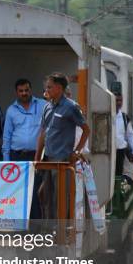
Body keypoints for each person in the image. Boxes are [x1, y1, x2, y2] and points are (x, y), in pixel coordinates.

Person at [35, 73, 90, 219]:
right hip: (48, 160)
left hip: (62, 160)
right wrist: (37, 158)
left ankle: (61, 232)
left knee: (60, 198)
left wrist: (77, 151)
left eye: (49, 87)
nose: (46, 90)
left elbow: (86, 130)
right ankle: (48, 229)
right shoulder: (47, 107)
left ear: (59, 88)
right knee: (44, 195)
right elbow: (42, 133)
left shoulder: (71, 107)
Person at [3, 79, 47, 219]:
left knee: (37, 192)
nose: (24, 93)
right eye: (21, 91)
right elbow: (7, 137)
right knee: (19, 192)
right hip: (18, 157)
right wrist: (7, 161)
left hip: (37, 156)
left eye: (26, 90)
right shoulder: (11, 110)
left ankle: (36, 226)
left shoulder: (43, 105)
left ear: (31, 90)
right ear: (16, 92)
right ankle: (20, 226)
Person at [114, 89, 133, 177]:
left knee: (120, 176)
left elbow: (130, 136)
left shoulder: (124, 118)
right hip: (109, 153)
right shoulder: (107, 116)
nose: (119, 103)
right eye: (116, 100)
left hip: (120, 153)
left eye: (120, 100)